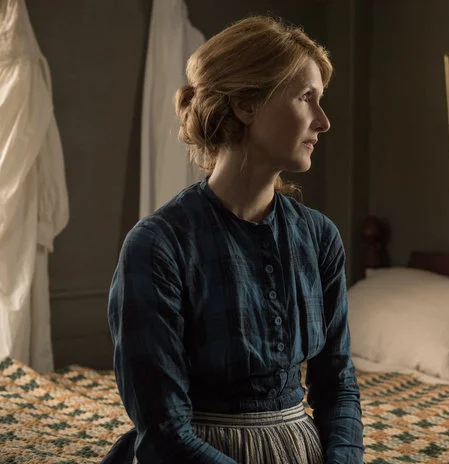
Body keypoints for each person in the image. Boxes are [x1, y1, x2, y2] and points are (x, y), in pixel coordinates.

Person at [100, 15, 364, 464]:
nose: (323, 121)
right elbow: (163, 431)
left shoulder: (319, 237)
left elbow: (338, 385)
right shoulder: (159, 245)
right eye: (306, 98)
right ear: (246, 106)